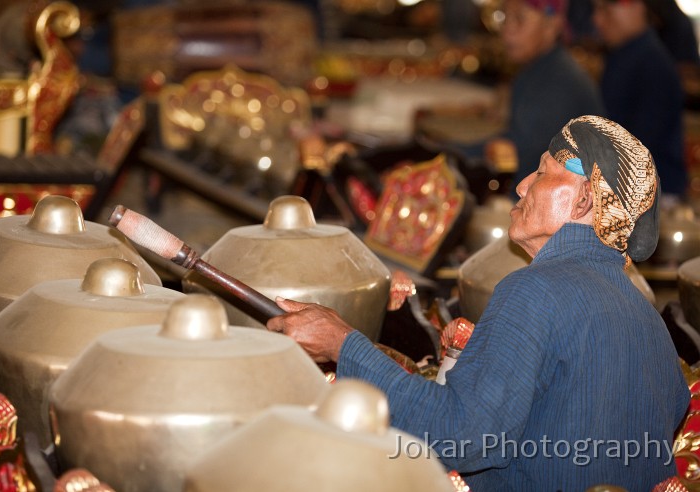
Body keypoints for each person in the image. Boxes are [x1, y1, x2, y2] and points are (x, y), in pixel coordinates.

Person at [267, 115, 690, 491]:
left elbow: (463, 437)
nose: (522, 185)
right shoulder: (645, 317)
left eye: (543, 172)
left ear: (583, 200)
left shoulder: (534, 289)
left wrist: (343, 343)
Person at [482, 0, 606, 192]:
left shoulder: (561, 80)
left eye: (520, 19)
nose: (507, 30)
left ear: (552, 24)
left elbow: (518, 153)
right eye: (505, 17)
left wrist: (447, 152)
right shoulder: (535, 70)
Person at [592, 0, 689, 201]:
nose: (598, 20)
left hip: (651, 196)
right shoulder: (625, 54)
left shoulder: (652, 64)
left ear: (637, 6)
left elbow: (639, 145)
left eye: (606, 9)